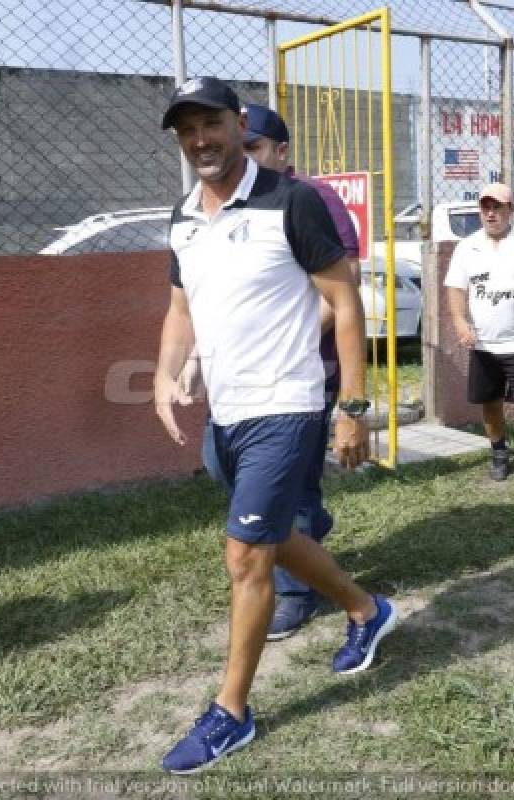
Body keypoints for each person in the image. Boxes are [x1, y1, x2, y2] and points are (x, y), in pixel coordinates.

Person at [153, 77, 398, 773]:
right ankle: (364, 609)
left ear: (237, 123)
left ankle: (231, 713)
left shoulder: (292, 203)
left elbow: (345, 304)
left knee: (246, 555)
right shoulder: (183, 218)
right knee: (277, 535)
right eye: (186, 130)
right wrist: (165, 375)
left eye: (211, 124)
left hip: (288, 404)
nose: (201, 140)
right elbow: (180, 309)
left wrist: (353, 409)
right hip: (227, 409)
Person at [190, 103, 361, 642]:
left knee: (292, 489)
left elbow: (342, 289)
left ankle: (292, 592)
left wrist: (283, 344)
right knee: (227, 470)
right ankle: (302, 539)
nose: (244, 157)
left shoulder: (311, 201)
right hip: (240, 385)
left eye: (255, 146)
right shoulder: (221, 209)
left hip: (301, 373)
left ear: (280, 152)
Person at [444, 182, 514, 497]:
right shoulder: (467, 247)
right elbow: (456, 288)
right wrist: (460, 321)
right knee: (490, 405)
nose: (491, 213)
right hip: (484, 346)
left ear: (511, 211)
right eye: (485, 207)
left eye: (498, 207)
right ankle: (500, 453)